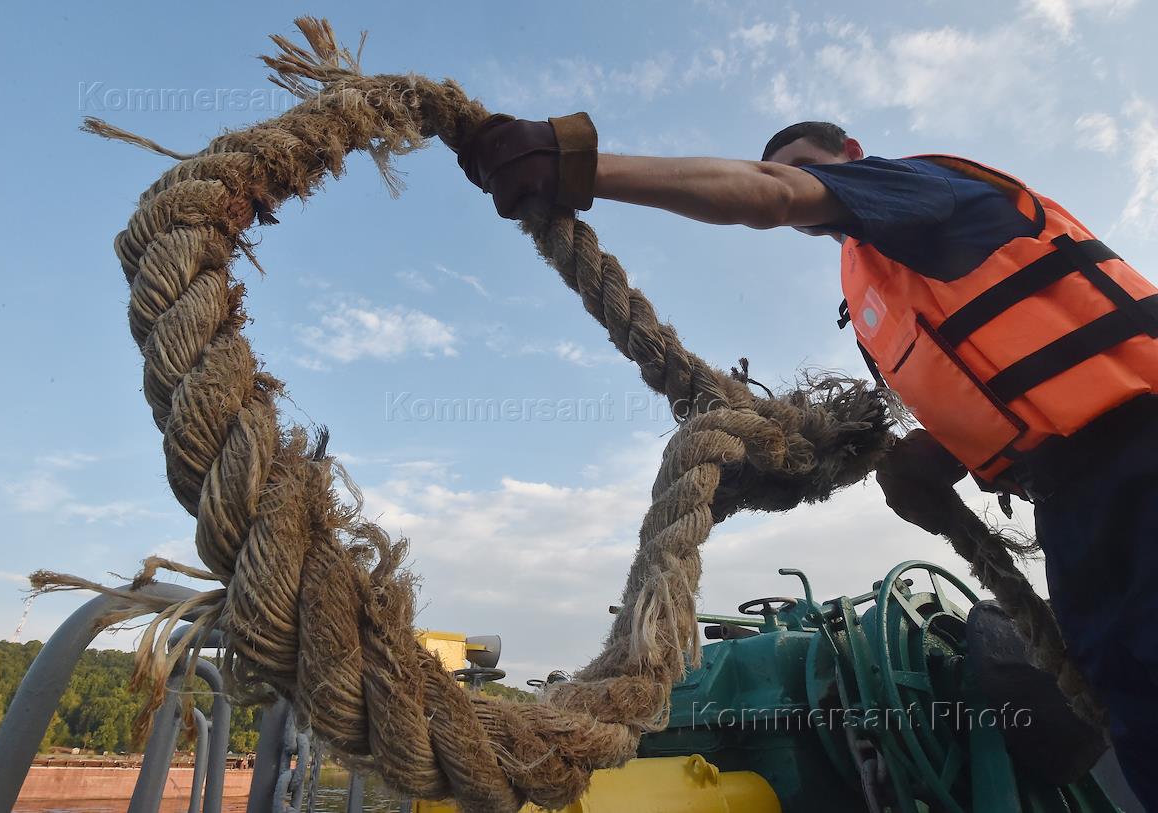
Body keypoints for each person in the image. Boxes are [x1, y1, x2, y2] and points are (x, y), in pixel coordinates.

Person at [456, 113, 1158, 808]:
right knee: (1129, 692)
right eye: (787, 168)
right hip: (1079, 490)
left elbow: (774, 193)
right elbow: (1009, 381)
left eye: (804, 163)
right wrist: (929, 461)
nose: (798, 186)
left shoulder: (920, 184)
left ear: (848, 151)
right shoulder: (890, 278)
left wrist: (574, 165)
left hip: (1132, 446)